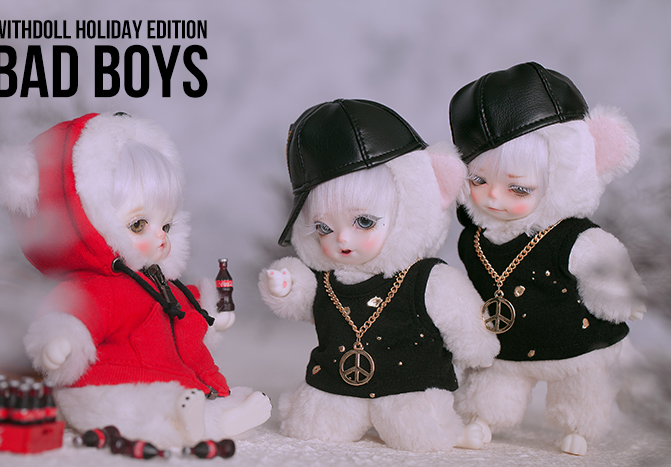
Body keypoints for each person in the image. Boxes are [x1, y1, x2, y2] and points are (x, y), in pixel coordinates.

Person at [0, 112, 271, 448]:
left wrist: (209, 315)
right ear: (90, 227)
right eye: (138, 225)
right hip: (114, 382)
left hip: (172, 376)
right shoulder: (96, 288)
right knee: (145, 405)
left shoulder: (161, 283)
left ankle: (218, 417)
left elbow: (185, 318)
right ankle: (183, 422)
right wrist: (61, 341)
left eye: (166, 225)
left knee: (195, 392)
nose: (161, 237)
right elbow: (76, 316)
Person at [259, 99, 499, 452]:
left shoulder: (426, 279)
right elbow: (302, 297)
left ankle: (449, 430)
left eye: (364, 222)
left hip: (410, 383)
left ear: (408, 211)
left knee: (420, 434)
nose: (343, 239)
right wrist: (285, 287)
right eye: (324, 228)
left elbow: (461, 316)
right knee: (310, 427)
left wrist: (478, 346)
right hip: (336, 382)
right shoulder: (326, 280)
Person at [449, 62, 646, 456]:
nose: (493, 197)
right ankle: (482, 420)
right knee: (491, 384)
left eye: (518, 189)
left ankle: (580, 428)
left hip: (576, 343)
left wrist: (621, 296)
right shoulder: (473, 240)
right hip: (507, 347)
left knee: (581, 386)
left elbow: (605, 265)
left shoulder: (574, 239)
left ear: (559, 183)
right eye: (479, 180)